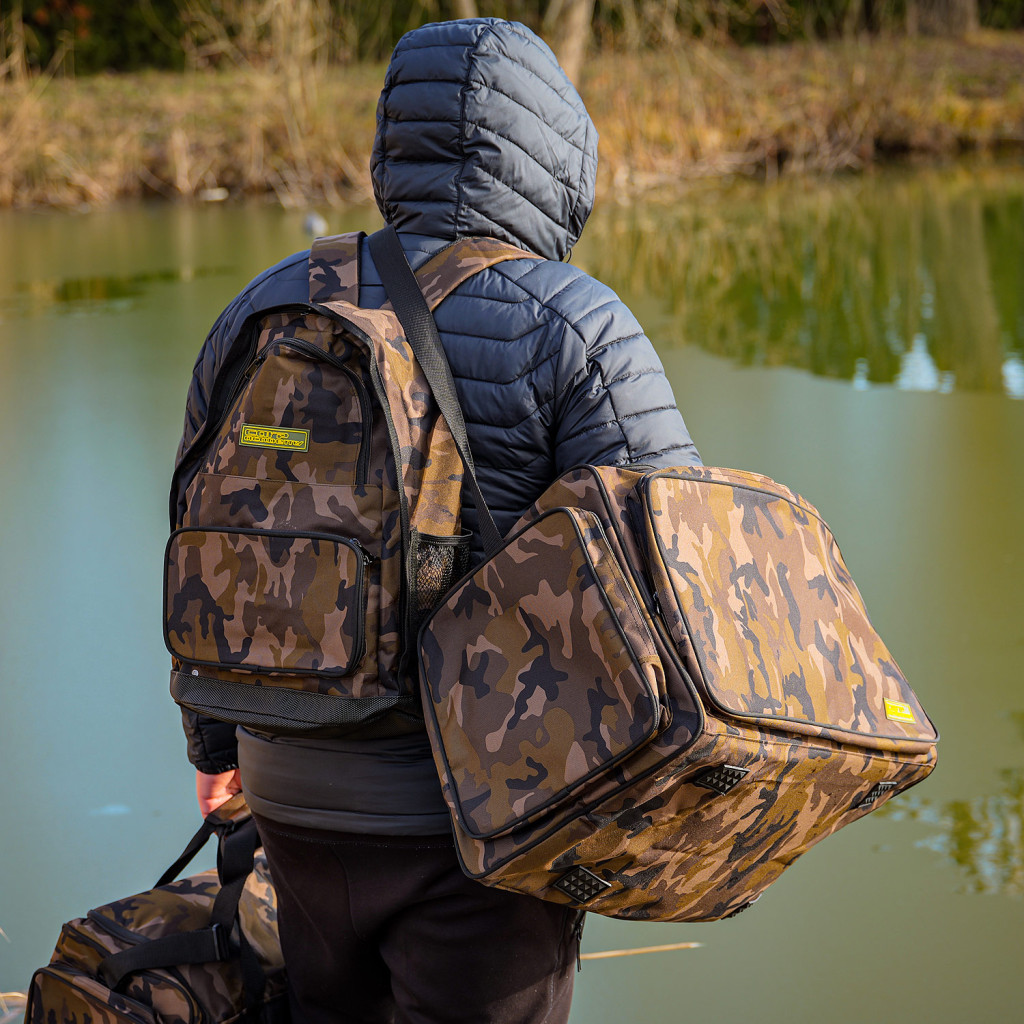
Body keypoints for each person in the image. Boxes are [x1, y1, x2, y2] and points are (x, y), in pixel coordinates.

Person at [175, 17, 700, 1024]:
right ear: (556, 152)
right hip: (482, 814)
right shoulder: (577, 322)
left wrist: (215, 746)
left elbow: (210, 538)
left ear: (392, 142)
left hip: (288, 793)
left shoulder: (261, 307)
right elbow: (678, 589)